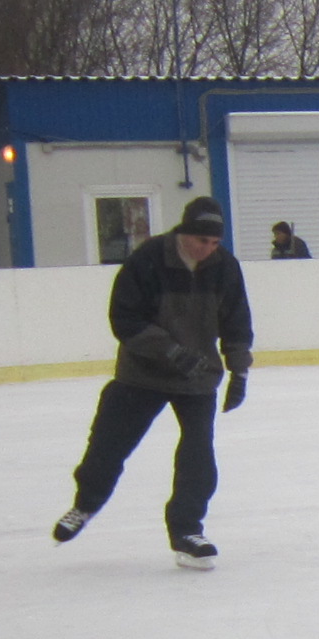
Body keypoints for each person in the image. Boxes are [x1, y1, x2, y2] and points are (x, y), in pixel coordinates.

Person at [51, 196, 252, 570]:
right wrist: (171, 352)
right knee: (108, 446)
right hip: (142, 374)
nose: (207, 250)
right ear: (183, 232)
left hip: (197, 378)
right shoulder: (148, 259)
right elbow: (124, 319)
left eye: (214, 243)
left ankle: (187, 531)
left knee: (197, 453)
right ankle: (85, 504)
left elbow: (237, 321)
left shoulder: (224, 266)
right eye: (200, 241)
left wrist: (238, 369)